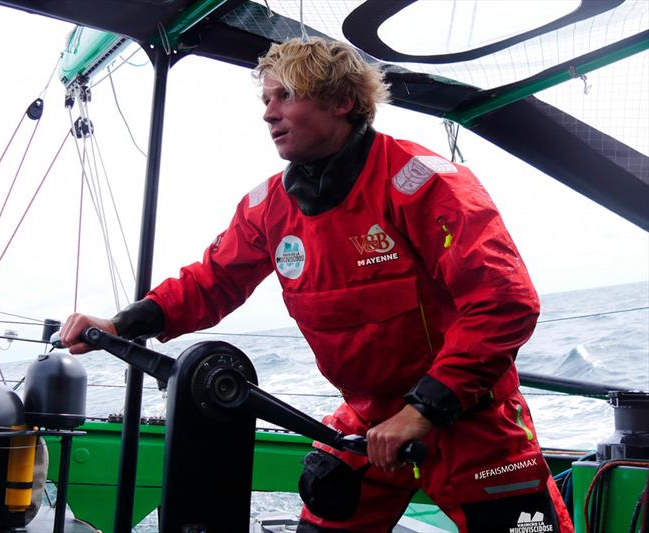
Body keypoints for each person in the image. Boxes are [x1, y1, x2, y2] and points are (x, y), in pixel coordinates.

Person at [61, 37, 573, 533]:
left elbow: (504, 301)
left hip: (470, 417)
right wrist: (121, 324)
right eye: (266, 99)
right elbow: (212, 282)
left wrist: (423, 410)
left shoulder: (423, 184)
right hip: (367, 420)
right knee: (327, 500)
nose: (268, 113)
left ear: (343, 102)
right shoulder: (267, 208)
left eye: (286, 95)